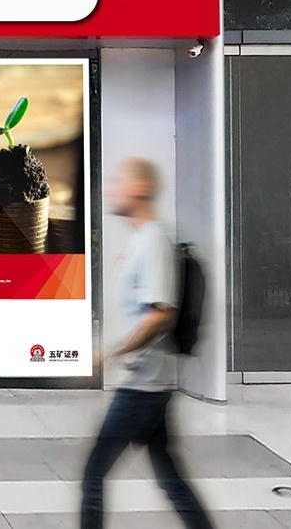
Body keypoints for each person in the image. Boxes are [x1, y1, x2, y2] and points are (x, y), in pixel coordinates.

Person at [81, 159, 213, 529]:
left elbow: (160, 316)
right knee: (170, 478)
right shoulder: (141, 239)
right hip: (148, 381)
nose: (112, 189)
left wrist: (109, 353)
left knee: (93, 474)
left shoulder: (153, 241)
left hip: (142, 385)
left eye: (119, 182)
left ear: (140, 188)